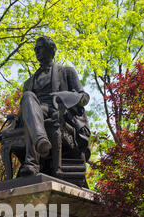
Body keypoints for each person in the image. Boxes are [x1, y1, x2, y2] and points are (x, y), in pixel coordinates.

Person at [17, 36, 90, 177]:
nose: (37, 51)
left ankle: (32, 163)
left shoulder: (66, 71)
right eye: (35, 49)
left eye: (40, 48)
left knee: (30, 108)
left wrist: (65, 97)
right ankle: (41, 141)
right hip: (36, 111)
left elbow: (84, 97)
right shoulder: (28, 82)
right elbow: (26, 106)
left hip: (57, 111)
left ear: (51, 49)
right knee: (27, 97)